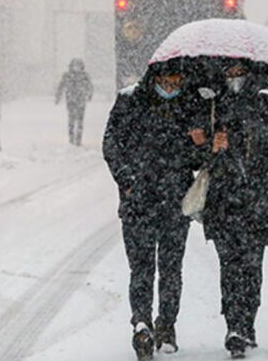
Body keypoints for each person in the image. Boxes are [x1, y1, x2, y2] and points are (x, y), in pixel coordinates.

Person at [193, 58, 268, 359]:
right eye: (230, 73)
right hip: (224, 203)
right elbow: (196, 158)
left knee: (252, 268)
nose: (235, 78)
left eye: (240, 73)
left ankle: (247, 322)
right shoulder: (213, 110)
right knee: (230, 266)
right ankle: (234, 326)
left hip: (258, 204)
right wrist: (210, 147)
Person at [103, 60, 204, 361]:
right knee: (142, 268)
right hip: (139, 202)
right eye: (167, 80)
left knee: (171, 269)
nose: (171, 86)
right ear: (155, 76)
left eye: (177, 81)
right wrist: (127, 180)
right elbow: (111, 143)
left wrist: (199, 144)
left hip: (175, 201)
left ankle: (166, 325)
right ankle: (142, 323)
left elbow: (198, 159)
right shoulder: (130, 101)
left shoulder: (190, 103)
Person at [55, 58, 94, 146]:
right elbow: (61, 86)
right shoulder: (67, 75)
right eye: (75, 65)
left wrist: (89, 95)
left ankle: (78, 139)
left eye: (78, 65)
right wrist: (58, 96)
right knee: (71, 119)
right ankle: (71, 138)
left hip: (81, 100)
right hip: (71, 100)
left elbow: (90, 86)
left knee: (80, 120)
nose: (76, 68)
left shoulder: (84, 76)